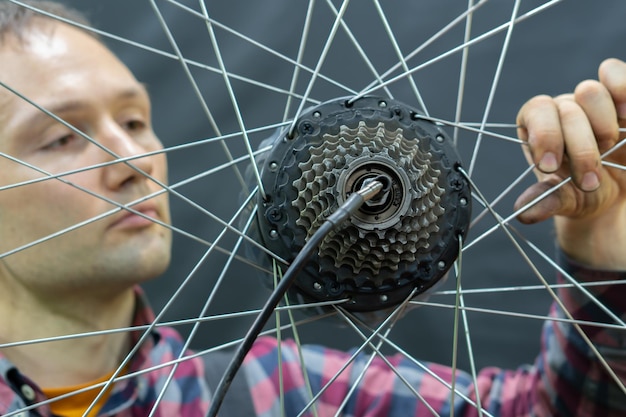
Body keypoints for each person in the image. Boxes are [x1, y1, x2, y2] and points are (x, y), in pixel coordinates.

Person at [0, 1, 624, 416]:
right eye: (61, 136)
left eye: (135, 120)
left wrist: (608, 263)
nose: (135, 158)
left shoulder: (278, 395)